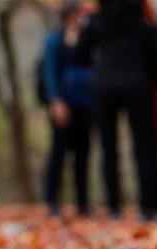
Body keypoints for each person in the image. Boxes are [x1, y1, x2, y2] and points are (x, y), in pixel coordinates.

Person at [76, 0, 157, 222]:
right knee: (146, 149)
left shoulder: (95, 21)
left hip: (105, 87)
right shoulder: (142, 23)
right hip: (138, 86)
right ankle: (150, 207)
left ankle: (114, 207)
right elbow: (156, 60)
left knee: (109, 150)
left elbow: (80, 55)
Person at [42, 1, 94, 217]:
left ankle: (82, 204)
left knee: (82, 155)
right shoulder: (54, 41)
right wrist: (56, 101)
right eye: (74, 14)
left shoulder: (87, 40)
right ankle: (52, 202)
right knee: (58, 154)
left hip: (85, 104)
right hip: (63, 104)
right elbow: (50, 72)